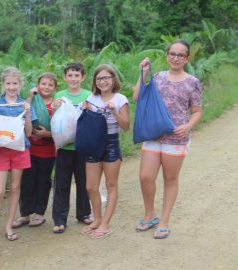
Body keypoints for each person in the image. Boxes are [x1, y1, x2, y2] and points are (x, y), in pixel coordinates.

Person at [133, 40, 202, 239]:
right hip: (154, 134)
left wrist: (188, 125)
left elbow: (197, 111)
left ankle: (164, 221)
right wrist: (144, 74)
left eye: (181, 55)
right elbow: (137, 96)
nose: (175, 58)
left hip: (176, 138)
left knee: (170, 179)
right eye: (172, 53)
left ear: (187, 58)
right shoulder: (157, 77)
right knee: (146, 176)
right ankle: (150, 214)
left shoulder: (192, 82)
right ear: (167, 55)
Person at [0, 67, 37, 246]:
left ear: (20, 84)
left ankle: (9, 227)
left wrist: (28, 113)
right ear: (3, 84)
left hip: (20, 150)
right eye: (8, 83)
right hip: (2, 152)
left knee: (15, 188)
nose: (12, 87)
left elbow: (29, 133)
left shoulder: (24, 105)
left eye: (15, 83)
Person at [81, 64, 130, 239]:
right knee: (91, 186)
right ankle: (97, 218)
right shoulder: (90, 98)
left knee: (111, 185)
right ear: (95, 81)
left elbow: (125, 126)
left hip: (111, 143)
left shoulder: (120, 99)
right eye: (99, 78)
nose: (103, 82)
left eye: (106, 78)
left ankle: (105, 223)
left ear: (113, 79)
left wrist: (114, 111)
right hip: (93, 143)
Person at [51, 62, 92, 233]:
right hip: (64, 148)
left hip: (82, 147)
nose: (73, 78)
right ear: (65, 77)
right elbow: (56, 121)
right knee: (61, 183)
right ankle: (59, 219)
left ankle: (84, 214)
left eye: (77, 75)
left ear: (83, 77)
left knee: (84, 181)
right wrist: (54, 108)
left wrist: (89, 109)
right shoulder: (59, 95)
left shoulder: (89, 95)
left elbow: (93, 117)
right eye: (70, 75)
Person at [12, 72, 57, 228]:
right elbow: (20, 113)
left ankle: (39, 213)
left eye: (50, 85)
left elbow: (63, 127)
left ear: (55, 88)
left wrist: (47, 134)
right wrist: (30, 97)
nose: (46, 87)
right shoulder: (31, 101)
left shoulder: (56, 104)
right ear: (37, 86)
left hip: (48, 151)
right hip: (29, 151)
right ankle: (25, 214)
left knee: (43, 182)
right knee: (27, 181)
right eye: (43, 84)